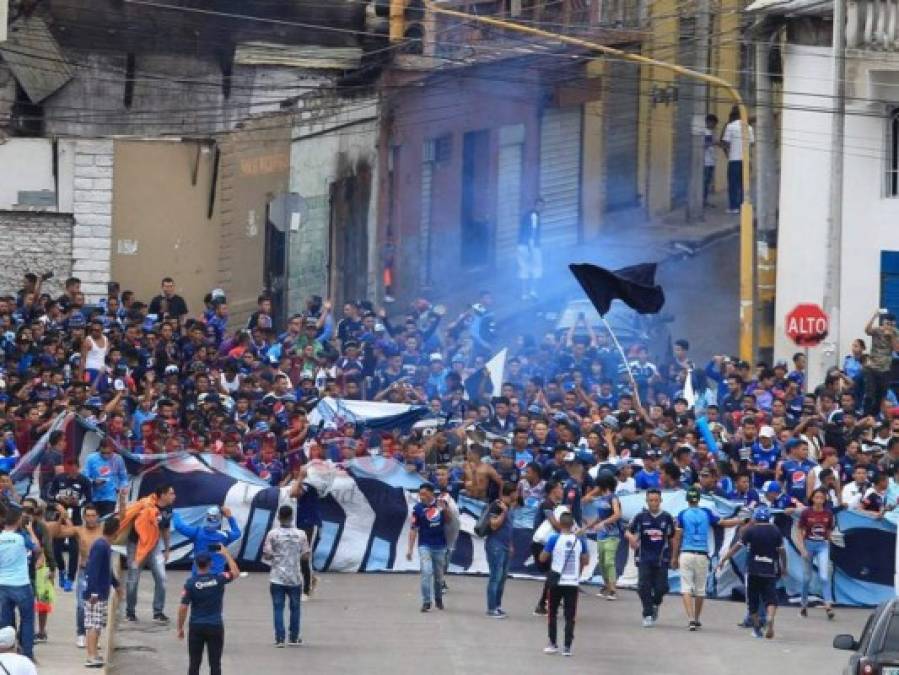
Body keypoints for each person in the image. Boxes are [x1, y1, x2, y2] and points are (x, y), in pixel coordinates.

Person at [674, 486, 740, 630]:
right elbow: (723, 523)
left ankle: (690, 618)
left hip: (686, 552)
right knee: (700, 589)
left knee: (686, 587)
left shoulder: (682, 514)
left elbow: (677, 537)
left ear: (687, 500)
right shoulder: (706, 513)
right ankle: (697, 618)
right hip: (702, 554)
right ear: (699, 499)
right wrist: (740, 521)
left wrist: (674, 556)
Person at [718, 506, 787, 639]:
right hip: (769, 570)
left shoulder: (750, 531)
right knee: (770, 599)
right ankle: (770, 618)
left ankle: (756, 629)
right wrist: (784, 566)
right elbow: (782, 551)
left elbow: (736, 547)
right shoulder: (775, 531)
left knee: (753, 601)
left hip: (753, 570)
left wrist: (724, 559)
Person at [48, 502, 104, 648]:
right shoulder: (79, 530)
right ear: (84, 517)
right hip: (85, 571)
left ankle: (94, 637)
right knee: (81, 605)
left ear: (98, 516)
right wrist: (62, 516)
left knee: (98, 606)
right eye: (88, 516)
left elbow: (121, 521)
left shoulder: (104, 530)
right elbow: (55, 533)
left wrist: (122, 500)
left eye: (93, 516)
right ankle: (81, 634)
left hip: (100, 573)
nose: (91, 518)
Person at [178, 547, 241, 675]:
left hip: (196, 626)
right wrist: (226, 555)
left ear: (195, 564)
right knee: (215, 663)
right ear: (211, 564)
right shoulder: (219, 579)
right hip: (215, 625)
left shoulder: (190, 583)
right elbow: (235, 572)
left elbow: (183, 607)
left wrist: (180, 627)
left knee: (194, 663)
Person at [118, 484, 176, 623]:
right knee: (133, 579)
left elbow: (165, 529)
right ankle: (130, 612)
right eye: (171, 493)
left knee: (162, 578)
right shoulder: (143, 505)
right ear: (162, 494)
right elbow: (124, 515)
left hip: (154, 546)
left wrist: (167, 549)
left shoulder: (168, 509)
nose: (174, 496)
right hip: (136, 547)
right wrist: (122, 499)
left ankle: (158, 612)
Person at [539, 511, 589, 657]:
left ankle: (553, 643)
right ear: (573, 525)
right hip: (572, 582)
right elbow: (585, 560)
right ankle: (567, 647)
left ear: (560, 524)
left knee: (552, 613)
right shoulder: (580, 541)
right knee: (570, 615)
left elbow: (542, 558)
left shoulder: (554, 538)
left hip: (556, 580)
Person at [626, 488, 677, 628]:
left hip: (662, 558)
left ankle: (655, 603)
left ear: (660, 501)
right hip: (644, 557)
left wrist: (674, 557)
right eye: (651, 500)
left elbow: (673, 538)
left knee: (662, 587)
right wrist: (631, 539)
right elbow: (628, 531)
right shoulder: (640, 517)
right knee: (643, 586)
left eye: (656, 500)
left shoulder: (667, 518)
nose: (653, 503)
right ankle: (647, 614)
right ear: (647, 501)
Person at [262, 504, 309, 647]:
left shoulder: (273, 534)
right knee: (295, 608)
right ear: (292, 517)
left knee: (278, 608)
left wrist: (277, 556)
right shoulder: (301, 534)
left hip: (277, 577)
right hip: (295, 577)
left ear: (278, 517)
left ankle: (280, 639)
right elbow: (306, 555)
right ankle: (294, 638)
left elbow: (267, 555)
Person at [83, 516, 123, 669]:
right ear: (116, 532)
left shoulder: (105, 545)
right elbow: (92, 570)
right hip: (96, 594)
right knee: (93, 624)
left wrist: (116, 585)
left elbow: (107, 570)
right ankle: (91, 656)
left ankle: (94, 654)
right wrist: (93, 592)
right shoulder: (100, 546)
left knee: (98, 624)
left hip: (100, 593)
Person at [406, 483, 452, 612]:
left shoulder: (441, 504)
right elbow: (414, 529)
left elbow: (449, 521)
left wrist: (445, 510)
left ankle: (438, 598)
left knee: (438, 577)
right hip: (425, 545)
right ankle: (426, 601)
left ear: (432, 493)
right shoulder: (417, 509)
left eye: (425, 494)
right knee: (426, 572)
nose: (422, 497)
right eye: (420, 494)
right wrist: (410, 549)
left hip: (440, 546)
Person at [797, 488, 835, 620]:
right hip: (809, 544)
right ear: (812, 499)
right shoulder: (806, 513)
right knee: (807, 578)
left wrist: (830, 542)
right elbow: (800, 531)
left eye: (822, 498)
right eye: (817, 497)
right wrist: (802, 549)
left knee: (824, 576)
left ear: (825, 500)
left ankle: (828, 604)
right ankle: (803, 604)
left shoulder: (828, 514)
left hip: (822, 546)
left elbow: (829, 531)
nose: (819, 500)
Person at [172, 506, 241, 576]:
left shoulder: (197, 533)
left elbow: (179, 525)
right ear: (219, 520)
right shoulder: (224, 536)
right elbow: (237, 533)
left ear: (206, 518)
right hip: (217, 576)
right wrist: (230, 517)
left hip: (198, 574)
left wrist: (174, 513)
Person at [584, 472, 622, 601]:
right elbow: (600, 517)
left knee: (609, 561)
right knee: (602, 562)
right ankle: (606, 585)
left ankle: (613, 589)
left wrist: (603, 523)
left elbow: (617, 514)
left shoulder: (613, 498)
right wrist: (589, 526)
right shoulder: (600, 500)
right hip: (601, 535)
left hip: (613, 534)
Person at [484, 483, 516, 618]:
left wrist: (510, 545)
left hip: (505, 546)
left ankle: (497, 605)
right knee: (495, 577)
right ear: (512, 493)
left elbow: (508, 528)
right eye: (516, 492)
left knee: (502, 578)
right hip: (495, 546)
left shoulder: (509, 507)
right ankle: (491, 608)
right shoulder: (498, 506)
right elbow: (494, 525)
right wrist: (504, 512)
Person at [863, 310, 898, 416]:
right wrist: (874, 316)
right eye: (887, 324)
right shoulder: (877, 330)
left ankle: (873, 416)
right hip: (872, 367)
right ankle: (865, 414)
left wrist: (891, 336)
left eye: (891, 324)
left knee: (881, 396)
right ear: (883, 323)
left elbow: (897, 349)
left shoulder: (896, 332)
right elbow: (867, 330)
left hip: (885, 369)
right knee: (870, 394)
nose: (889, 326)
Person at [721, 107, 755, 213]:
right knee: (743, 184)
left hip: (734, 160)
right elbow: (752, 143)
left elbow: (726, 143)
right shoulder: (749, 127)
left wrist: (726, 150)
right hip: (746, 160)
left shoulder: (730, 126)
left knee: (733, 184)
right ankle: (742, 205)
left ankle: (734, 207)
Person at [83, 441, 128, 517]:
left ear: (113, 449)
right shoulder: (91, 458)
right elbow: (84, 477)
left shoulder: (118, 459)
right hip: (93, 497)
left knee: (106, 523)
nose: (106, 455)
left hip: (110, 497)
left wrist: (122, 488)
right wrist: (93, 481)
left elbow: (123, 478)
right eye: (103, 453)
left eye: (109, 453)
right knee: (93, 523)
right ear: (100, 449)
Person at [517, 197, 544, 300]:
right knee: (536, 268)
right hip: (530, 246)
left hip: (521, 246)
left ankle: (524, 294)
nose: (542, 208)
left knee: (523, 269)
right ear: (536, 205)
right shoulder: (534, 216)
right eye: (540, 206)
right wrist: (531, 248)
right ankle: (533, 292)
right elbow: (532, 232)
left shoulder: (527, 215)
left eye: (542, 206)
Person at [703, 113, 719, 207]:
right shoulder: (704, 132)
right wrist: (713, 142)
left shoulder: (710, 132)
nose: (714, 126)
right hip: (705, 162)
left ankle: (704, 200)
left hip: (711, 161)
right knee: (704, 183)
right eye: (713, 124)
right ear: (709, 122)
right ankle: (702, 201)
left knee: (707, 183)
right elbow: (703, 145)